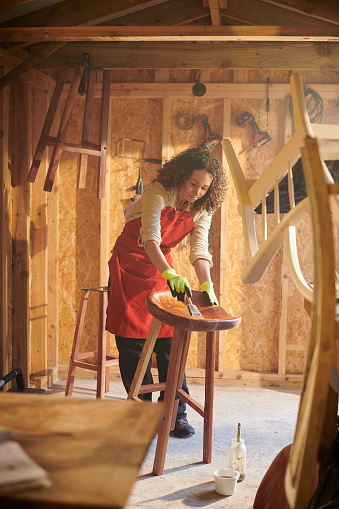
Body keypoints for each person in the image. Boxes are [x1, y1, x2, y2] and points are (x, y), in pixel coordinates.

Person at [105, 147, 227, 438]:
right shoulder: (159, 192)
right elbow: (150, 237)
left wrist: (207, 283)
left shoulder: (203, 208)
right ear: (182, 177)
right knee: (132, 344)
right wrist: (170, 274)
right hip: (130, 266)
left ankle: (175, 415)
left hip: (162, 269)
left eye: (205, 187)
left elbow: (198, 249)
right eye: (193, 184)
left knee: (169, 344)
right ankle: (141, 415)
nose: (198, 191)